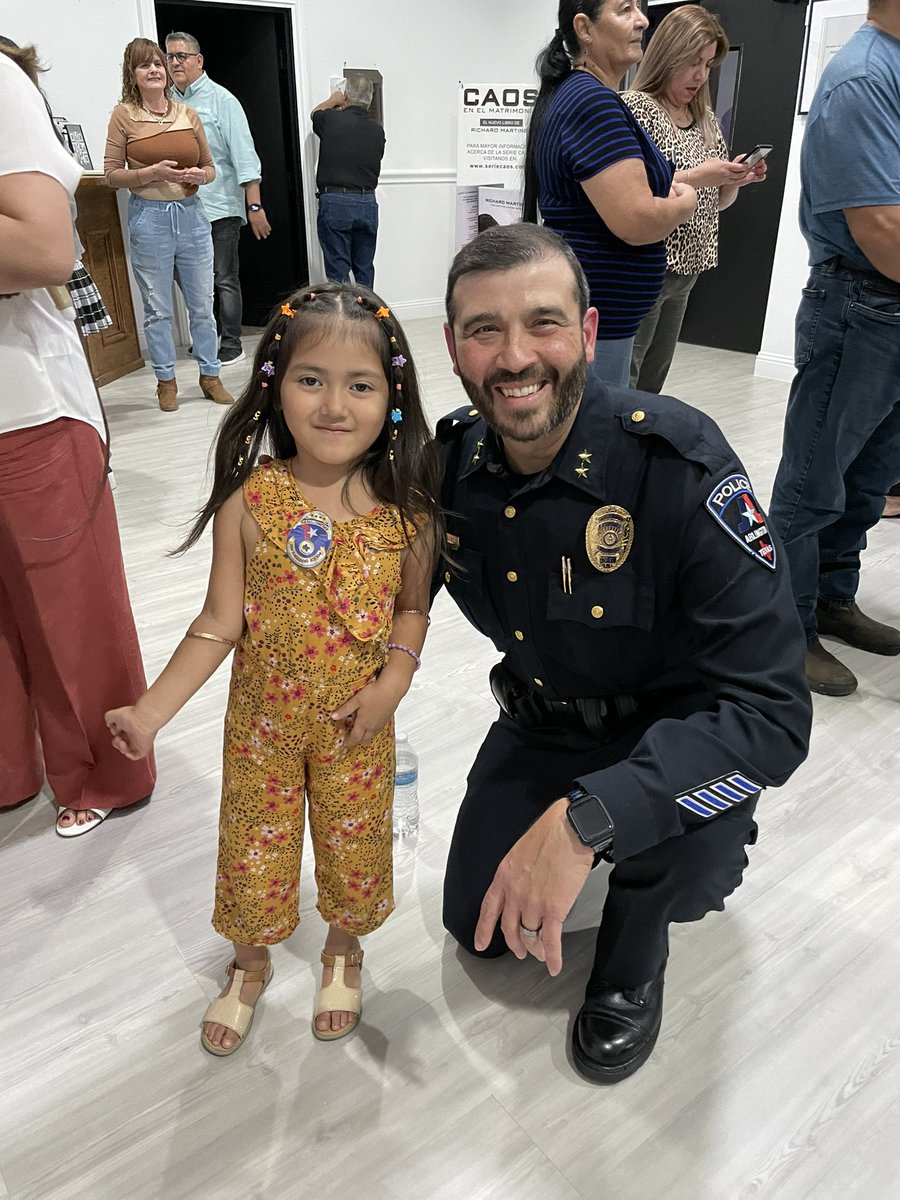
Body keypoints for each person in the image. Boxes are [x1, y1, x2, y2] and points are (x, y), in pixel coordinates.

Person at [436, 223, 811, 1084]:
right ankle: (596, 832)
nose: (515, 357)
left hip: (675, 732)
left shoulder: (675, 462)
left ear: (588, 332)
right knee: (475, 926)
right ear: (454, 349)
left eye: (543, 323)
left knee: (690, 867)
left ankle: (637, 946)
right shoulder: (453, 461)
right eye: (485, 330)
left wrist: (588, 821)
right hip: (547, 721)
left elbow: (775, 715)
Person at [105, 283, 441, 1054]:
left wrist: (392, 686)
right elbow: (218, 622)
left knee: (354, 851)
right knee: (251, 854)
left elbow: (412, 611)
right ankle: (248, 964)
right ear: (274, 385)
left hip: (358, 730)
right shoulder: (251, 502)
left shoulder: (409, 510)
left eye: (360, 385)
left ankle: (343, 952)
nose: (334, 405)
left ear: (393, 397)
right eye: (311, 379)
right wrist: (151, 712)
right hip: (261, 735)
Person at [0, 42, 155, 836]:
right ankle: (9, 770)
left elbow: (43, 250)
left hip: (23, 403)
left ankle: (106, 770)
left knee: (68, 610)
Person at [768, 0, 900, 697]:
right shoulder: (863, 76)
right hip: (860, 305)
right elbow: (879, 225)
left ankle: (831, 600)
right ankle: (783, 627)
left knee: (869, 478)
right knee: (814, 480)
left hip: (888, 306)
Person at [523, 0, 698, 387]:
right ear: (584, 28)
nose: (642, 20)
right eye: (625, 10)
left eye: (639, 7)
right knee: (596, 420)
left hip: (598, 311)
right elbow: (636, 222)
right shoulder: (592, 102)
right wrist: (685, 203)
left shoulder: (580, 94)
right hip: (600, 316)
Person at [622, 5, 766, 393]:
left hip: (688, 269)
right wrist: (698, 176)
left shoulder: (705, 120)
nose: (700, 75)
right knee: (627, 372)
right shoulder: (636, 109)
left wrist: (734, 180)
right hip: (648, 262)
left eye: (707, 64)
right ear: (668, 56)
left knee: (654, 375)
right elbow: (632, 189)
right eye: (692, 63)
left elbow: (714, 204)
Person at [104, 37, 233, 412]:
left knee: (203, 306)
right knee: (158, 310)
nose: (155, 70)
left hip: (192, 216)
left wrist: (201, 175)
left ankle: (210, 376)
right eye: (145, 65)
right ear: (132, 73)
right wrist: (150, 173)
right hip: (150, 218)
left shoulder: (186, 113)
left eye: (158, 63)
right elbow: (112, 175)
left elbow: (210, 168)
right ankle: (166, 382)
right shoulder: (123, 115)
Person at [166, 31, 271, 368]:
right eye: (170, 56)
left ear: (198, 60)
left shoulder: (222, 101)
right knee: (188, 279)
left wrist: (254, 205)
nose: (175, 62)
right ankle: (206, 337)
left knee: (223, 278)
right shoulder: (166, 103)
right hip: (179, 208)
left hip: (219, 207)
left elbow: (245, 156)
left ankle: (231, 342)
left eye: (181, 56)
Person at [311, 77, 385, 288]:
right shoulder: (377, 130)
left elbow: (314, 114)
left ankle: (342, 309)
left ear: (347, 96)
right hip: (367, 203)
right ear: (369, 100)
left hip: (336, 202)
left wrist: (334, 99)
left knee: (338, 273)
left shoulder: (331, 119)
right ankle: (367, 307)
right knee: (365, 269)